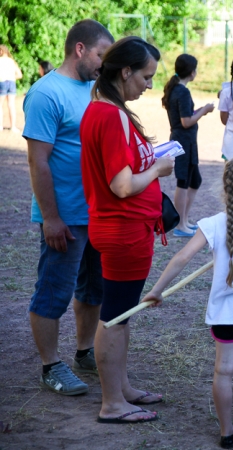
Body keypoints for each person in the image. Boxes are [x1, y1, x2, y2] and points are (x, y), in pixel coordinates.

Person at [141, 156, 233, 449]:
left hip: (226, 313)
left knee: (223, 371)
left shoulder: (213, 224)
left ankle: (227, 433)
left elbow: (181, 257)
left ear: (226, 190)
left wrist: (157, 290)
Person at [80, 36, 173, 424]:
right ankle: (112, 403)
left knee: (121, 313)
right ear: (125, 72)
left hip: (122, 230)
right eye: (146, 77)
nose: (149, 85)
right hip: (122, 232)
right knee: (115, 317)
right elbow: (121, 185)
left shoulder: (103, 109)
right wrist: (157, 170)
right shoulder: (110, 114)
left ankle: (122, 389)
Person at [23, 19, 114, 396]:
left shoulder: (95, 89)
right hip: (66, 217)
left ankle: (83, 351)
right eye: (100, 55)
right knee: (53, 292)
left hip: (97, 213)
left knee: (93, 290)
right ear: (80, 49)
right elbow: (37, 161)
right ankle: (50, 366)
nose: (103, 64)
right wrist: (52, 218)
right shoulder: (47, 93)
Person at [162, 54, 215, 237]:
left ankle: (184, 219)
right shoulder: (182, 92)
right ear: (192, 72)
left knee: (195, 180)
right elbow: (186, 121)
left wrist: (200, 111)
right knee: (183, 181)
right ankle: (180, 224)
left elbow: (186, 115)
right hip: (183, 140)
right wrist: (204, 111)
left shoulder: (176, 89)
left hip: (186, 141)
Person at [0, 44, 23, 132]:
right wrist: (12, 77)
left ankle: (0, 126)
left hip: (2, 82)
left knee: (0, 105)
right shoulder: (12, 61)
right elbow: (19, 75)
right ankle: (13, 126)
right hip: (11, 82)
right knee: (11, 105)